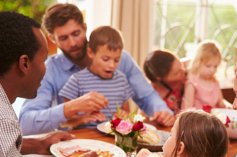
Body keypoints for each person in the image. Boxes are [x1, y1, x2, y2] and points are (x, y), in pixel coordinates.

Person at [0, 11, 112, 157]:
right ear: (24, 63)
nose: (46, 70)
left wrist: (39, 144)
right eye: (43, 60)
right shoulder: (2, 119)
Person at [19, 3, 174, 135]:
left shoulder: (121, 59)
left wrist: (162, 112)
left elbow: (146, 96)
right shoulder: (50, 69)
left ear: (84, 28)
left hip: (116, 141)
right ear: (53, 39)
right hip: (74, 144)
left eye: (76, 33)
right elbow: (25, 123)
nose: (72, 43)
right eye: (64, 38)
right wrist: (69, 108)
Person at [59, 26, 133, 124]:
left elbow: (127, 112)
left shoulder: (121, 80)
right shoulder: (77, 80)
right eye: (105, 59)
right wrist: (82, 118)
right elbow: (63, 121)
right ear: (90, 52)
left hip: (111, 137)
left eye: (116, 60)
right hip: (85, 137)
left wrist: (124, 116)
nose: (112, 65)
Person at [182, 41, 226, 109]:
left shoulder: (215, 82)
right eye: (208, 66)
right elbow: (187, 108)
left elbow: (221, 103)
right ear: (198, 63)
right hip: (196, 118)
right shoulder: (192, 83)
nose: (212, 70)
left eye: (215, 66)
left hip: (213, 117)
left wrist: (226, 107)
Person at [143, 50, 187, 114]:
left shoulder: (191, 67)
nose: (184, 71)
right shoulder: (152, 96)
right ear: (160, 78)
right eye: (177, 73)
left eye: (181, 65)